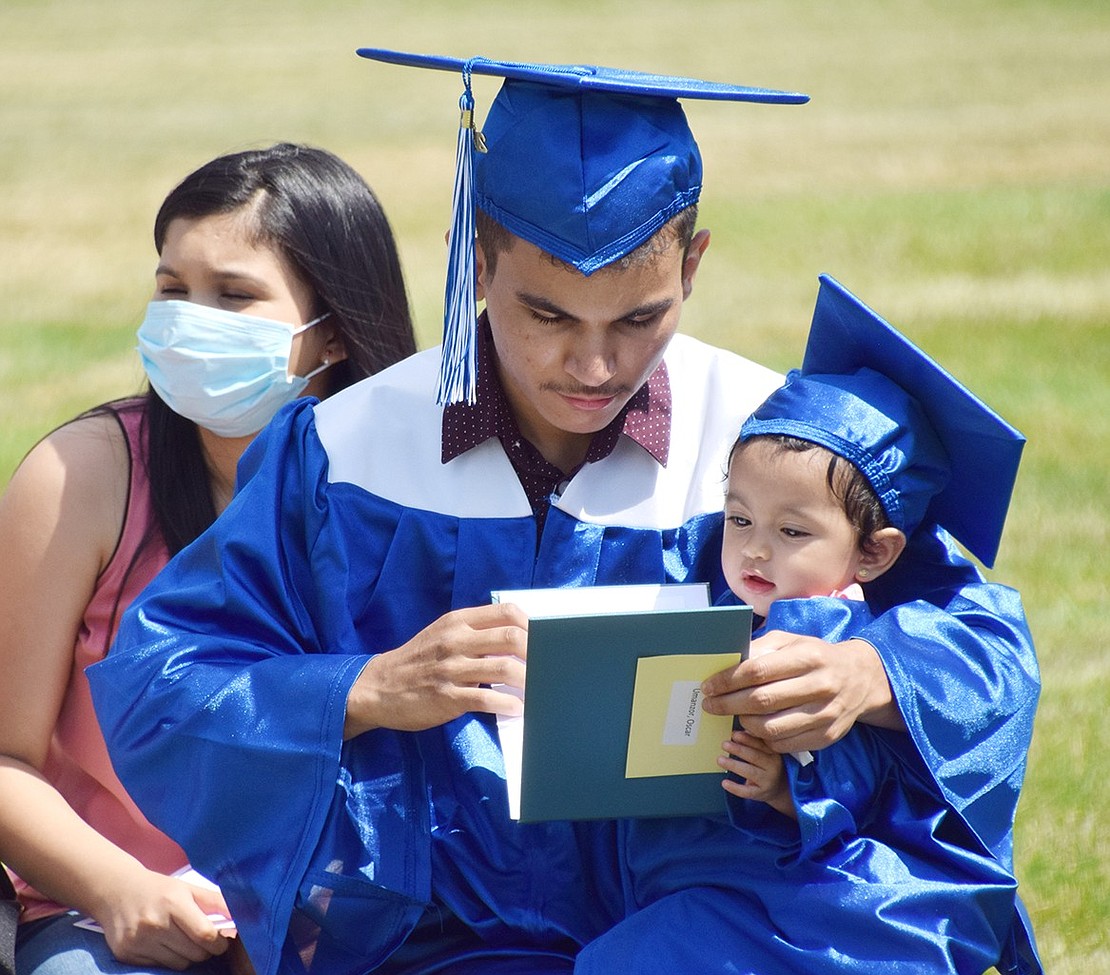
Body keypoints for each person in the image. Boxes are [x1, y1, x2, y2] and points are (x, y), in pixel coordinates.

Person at [88, 52, 1040, 975]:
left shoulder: (772, 443)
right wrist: (364, 687)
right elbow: (160, 679)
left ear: (694, 265)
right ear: (481, 258)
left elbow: (982, 647)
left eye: (638, 320)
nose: (594, 369)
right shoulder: (350, 450)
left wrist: (865, 670)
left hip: (711, 923)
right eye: (546, 315)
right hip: (442, 935)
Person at [0, 142, 417, 975]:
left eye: (233, 297)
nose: (190, 321)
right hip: (110, 920)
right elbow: (6, 755)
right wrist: (119, 888)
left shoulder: (419, 491)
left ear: (331, 331)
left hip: (352, 913)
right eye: (171, 290)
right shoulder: (82, 475)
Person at [611, 274, 1044, 975]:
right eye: (740, 518)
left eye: (790, 529)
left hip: (844, 892)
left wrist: (790, 789)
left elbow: (886, 778)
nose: (753, 548)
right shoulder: (707, 576)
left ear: (875, 551)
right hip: (723, 881)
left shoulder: (879, 625)